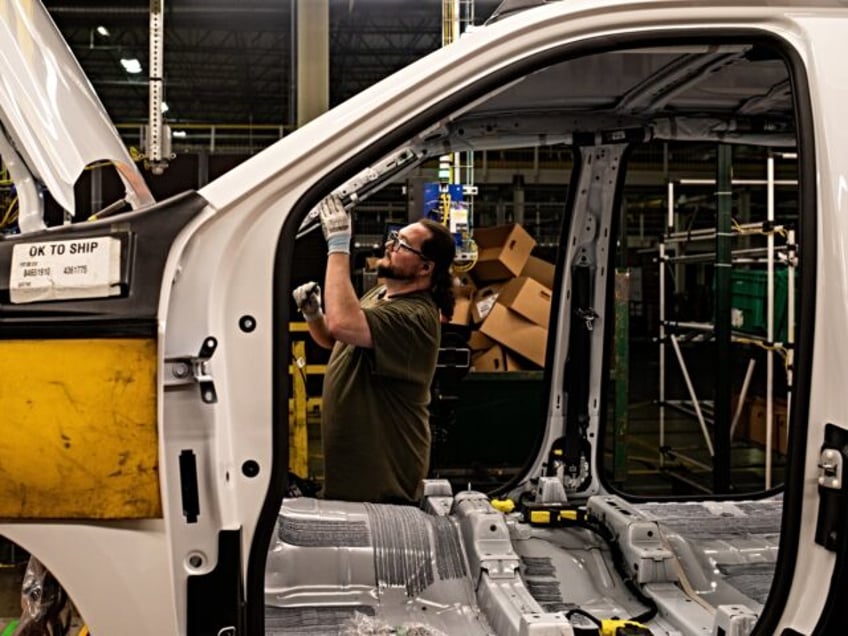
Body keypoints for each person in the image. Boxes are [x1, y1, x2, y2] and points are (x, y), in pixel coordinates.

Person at [292, 194, 456, 504]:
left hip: (383, 484)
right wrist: (314, 315)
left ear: (425, 268)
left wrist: (338, 246)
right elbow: (335, 338)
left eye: (404, 245)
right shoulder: (382, 294)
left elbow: (343, 325)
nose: (391, 245)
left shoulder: (416, 316)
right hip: (352, 477)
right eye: (395, 237)